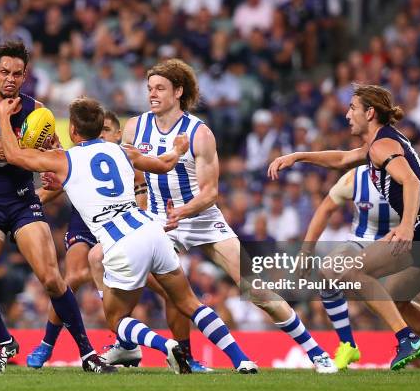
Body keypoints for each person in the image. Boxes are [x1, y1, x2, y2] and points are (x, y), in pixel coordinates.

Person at [98, 58, 337, 373]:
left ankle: (317, 353)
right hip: (159, 221)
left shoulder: (199, 133)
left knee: (257, 289)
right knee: (160, 291)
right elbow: (132, 177)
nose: (152, 94)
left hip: (202, 219)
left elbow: (210, 192)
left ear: (178, 91)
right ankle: (179, 358)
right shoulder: (134, 127)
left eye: (160, 88)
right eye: (149, 88)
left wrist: (181, 212)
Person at [0, 96, 258, 374]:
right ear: (101, 128)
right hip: (150, 229)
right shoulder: (123, 151)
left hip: (120, 242)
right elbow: (165, 163)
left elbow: (13, 155)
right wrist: (179, 148)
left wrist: (3, 116)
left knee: (116, 318)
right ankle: (241, 359)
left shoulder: (63, 159)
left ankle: (165, 346)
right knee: (189, 302)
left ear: (73, 131)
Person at [268, 83, 420, 374]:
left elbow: (412, 182)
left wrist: (406, 226)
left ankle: (407, 340)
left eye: (353, 108)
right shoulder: (377, 144)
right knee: (398, 300)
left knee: (353, 271)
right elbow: (340, 159)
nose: (347, 114)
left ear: (370, 112)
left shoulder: (381, 146)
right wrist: (299, 156)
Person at [0, 41, 113, 373]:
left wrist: (51, 163)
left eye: (17, 74)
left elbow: (57, 156)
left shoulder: (38, 111)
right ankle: (6, 342)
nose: (10, 79)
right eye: (4, 72)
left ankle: (88, 353)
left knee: (51, 278)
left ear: (25, 76)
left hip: (22, 202)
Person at [26, 111, 208, 372]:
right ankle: (48, 342)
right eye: (99, 132)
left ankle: (183, 354)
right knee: (74, 276)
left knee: (170, 292)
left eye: (107, 131)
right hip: (89, 222)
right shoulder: (82, 155)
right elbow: (59, 186)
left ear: (117, 134)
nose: (101, 136)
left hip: (126, 229)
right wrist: (30, 202)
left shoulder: (126, 154)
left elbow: (141, 187)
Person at [301, 164, 420, 371]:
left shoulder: (408, 176)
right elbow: (326, 205)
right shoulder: (355, 178)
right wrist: (306, 250)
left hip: (406, 248)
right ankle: (348, 344)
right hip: (364, 244)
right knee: (327, 271)